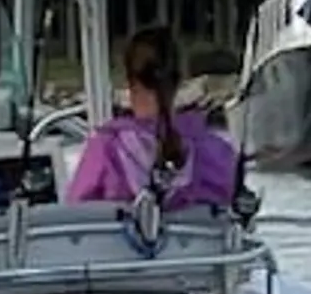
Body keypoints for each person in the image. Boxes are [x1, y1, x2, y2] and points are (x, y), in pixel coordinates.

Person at [65, 26, 239, 209]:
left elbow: (74, 219)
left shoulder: (105, 150)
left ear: (130, 82)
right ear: (179, 80)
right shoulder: (218, 153)